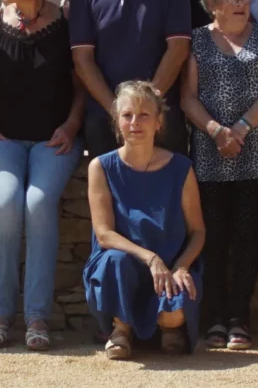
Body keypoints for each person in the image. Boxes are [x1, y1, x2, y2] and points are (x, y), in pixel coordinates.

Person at [0, 0, 81, 351]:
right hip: (4, 138)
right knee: (6, 200)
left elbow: (82, 84)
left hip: (55, 138)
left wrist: (72, 125)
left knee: (38, 202)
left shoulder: (66, 23)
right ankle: (1, 315)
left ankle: (37, 318)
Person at [179, 0, 258, 351]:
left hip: (254, 151)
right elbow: (187, 96)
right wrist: (216, 132)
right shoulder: (196, 39)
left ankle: (240, 318)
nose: (242, 3)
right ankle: (215, 318)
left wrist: (239, 128)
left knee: (247, 235)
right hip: (209, 152)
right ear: (213, 4)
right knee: (213, 235)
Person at [83, 81, 207, 360]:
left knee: (174, 314)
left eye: (144, 115)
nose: (135, 122)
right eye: (127, 115)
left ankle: (169, 327)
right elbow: (104, 234)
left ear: (159, 122)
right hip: (121, 266)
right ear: (117, 122)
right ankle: (121, 329)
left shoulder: (181, 168)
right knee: (115, 261)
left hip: (170, 265)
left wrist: (181, 266)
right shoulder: (101, 167)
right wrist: (150, 259)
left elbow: (198, 231)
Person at [69, 0, 192, 157]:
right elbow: (82, 59)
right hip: (105, 117)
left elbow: (178, 49)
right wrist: (118, 111)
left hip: (161, 115)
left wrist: (147, 108)